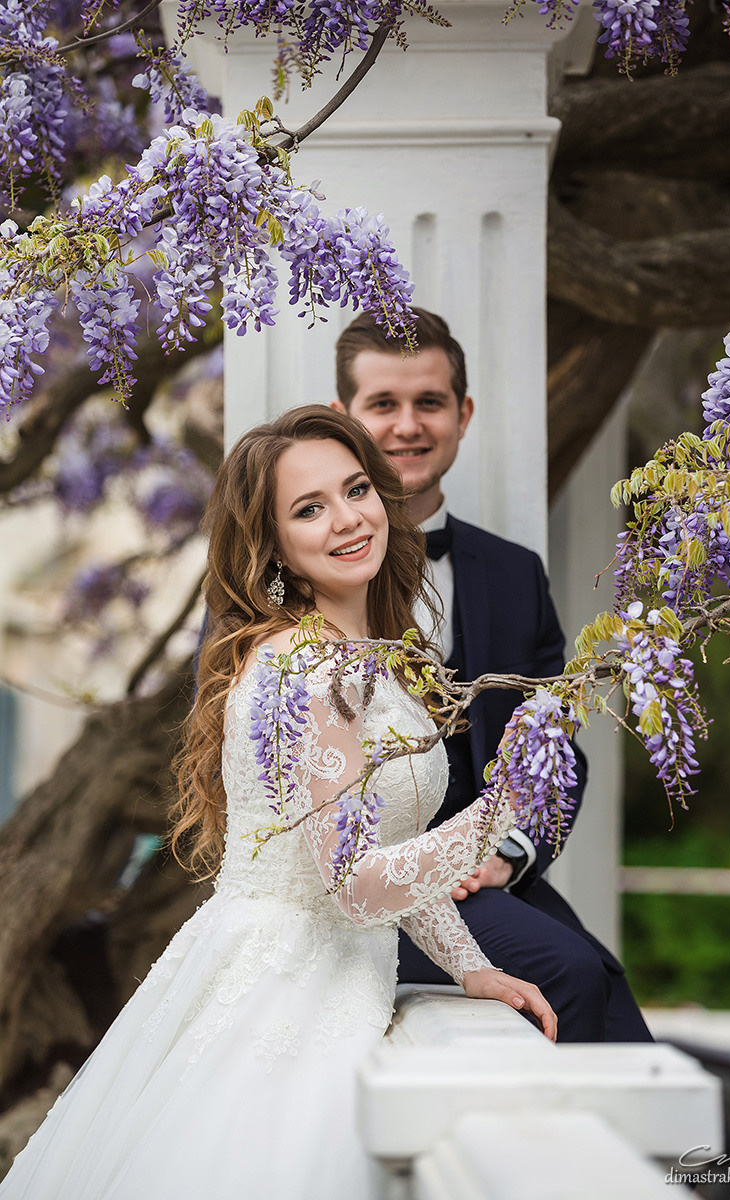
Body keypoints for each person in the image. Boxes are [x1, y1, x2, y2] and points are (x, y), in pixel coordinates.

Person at [0, 406, 555, 1200]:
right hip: (285, 988)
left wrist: (471, 968)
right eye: (308, 509)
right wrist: (499, 811)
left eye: (355, 489)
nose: (346, 519)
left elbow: (390, 843)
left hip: (334, 978)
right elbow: (356, 884)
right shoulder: (303, 670)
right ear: (275, 548)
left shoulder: (364, 657)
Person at [333, 308, 653, 1043]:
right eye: (383, 404)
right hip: (357, 884)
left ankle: (662, 1162)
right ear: (340, 417)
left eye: (430, 403)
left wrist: (507, 855)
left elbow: (553, 749)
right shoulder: (285, 571)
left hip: (486, 877)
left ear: (463, 413)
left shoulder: (512, 574)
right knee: (569, 972)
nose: (408, 425)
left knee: (609, 997)